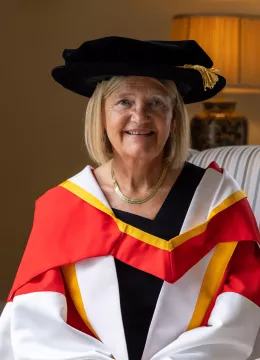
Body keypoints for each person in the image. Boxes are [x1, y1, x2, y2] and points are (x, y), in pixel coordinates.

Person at [0, 36, 259, 360]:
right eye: (124, 102)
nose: (140, 116)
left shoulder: (217, 201)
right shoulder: (64, 207)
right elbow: (38, 321)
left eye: (156, 103)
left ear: (174, 118)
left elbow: (239, 312)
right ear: (102, 116)